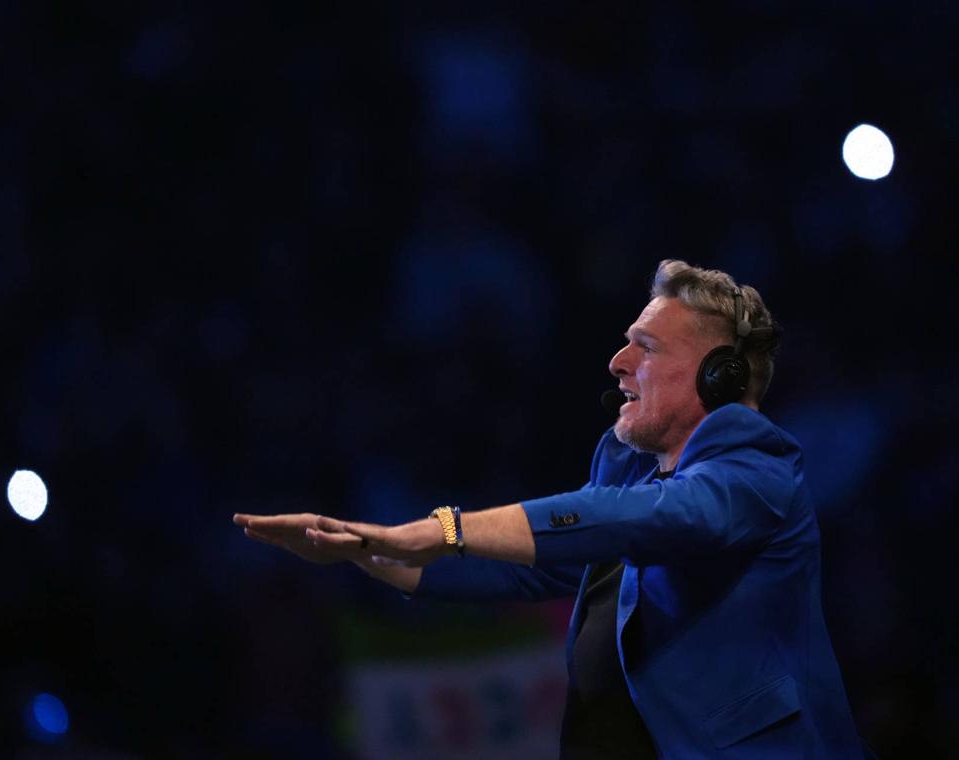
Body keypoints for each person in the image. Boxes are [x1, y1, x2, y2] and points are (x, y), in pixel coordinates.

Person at [234, 259, 866, 758]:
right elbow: (517, 568)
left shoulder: (757, 472)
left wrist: (444, 529)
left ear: (717, 377)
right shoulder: (633, 477)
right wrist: (365, 546)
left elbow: (639, 520)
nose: (618, 363)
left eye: (644, 347)